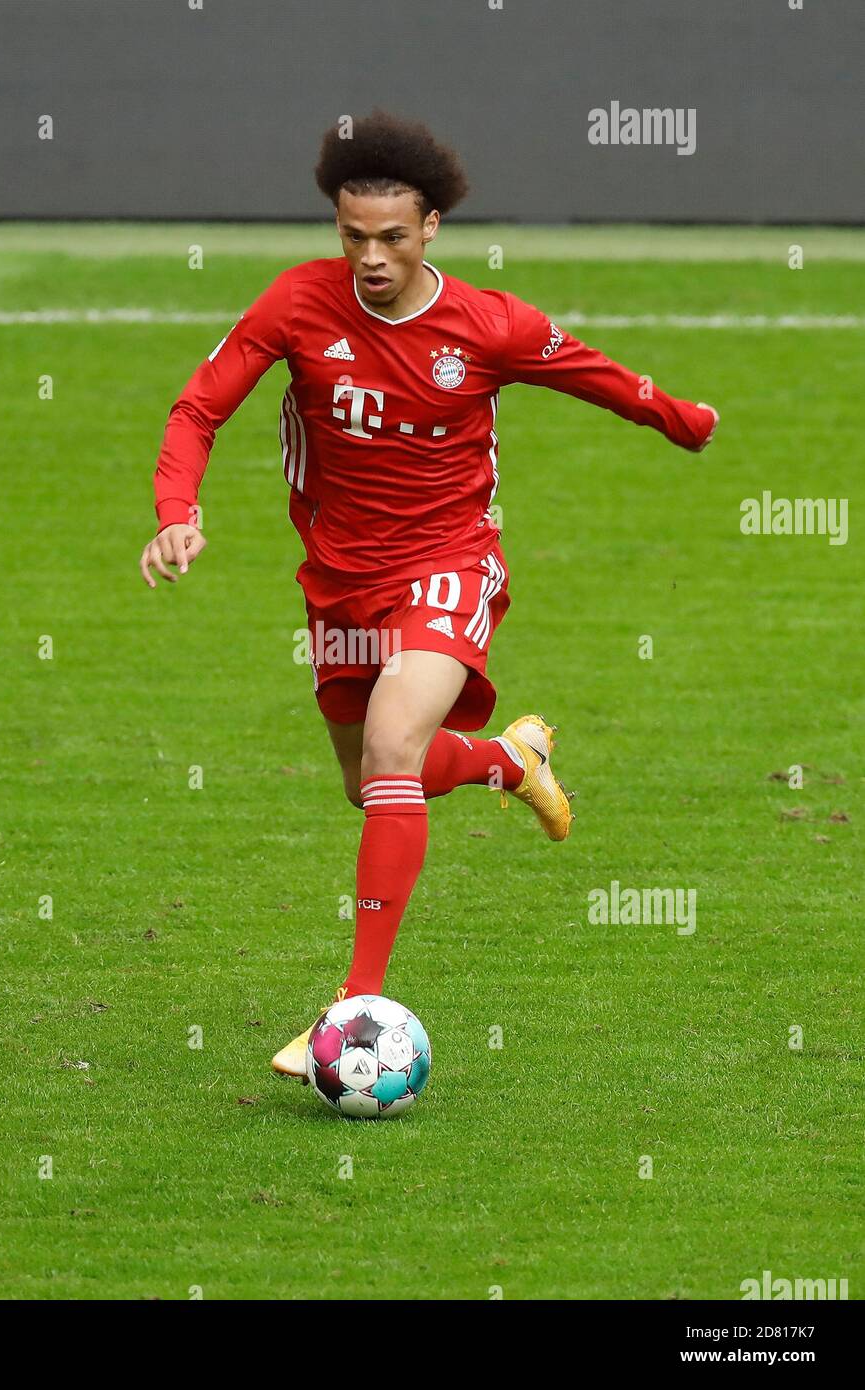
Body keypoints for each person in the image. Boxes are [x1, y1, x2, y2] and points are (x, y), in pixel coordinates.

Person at [139, 110, 719, 1078]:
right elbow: (199, 405)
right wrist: (174, 508)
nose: (369, 256)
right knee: (372, 783)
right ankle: (505, 760)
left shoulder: (489, 326)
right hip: (339, 579)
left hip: (448, 561)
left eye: (390, 237)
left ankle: (354, 999)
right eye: (351, 235)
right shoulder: (295, 304)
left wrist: (682, 420)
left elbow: (599, 377)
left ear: (432, 228)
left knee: (391, 748)